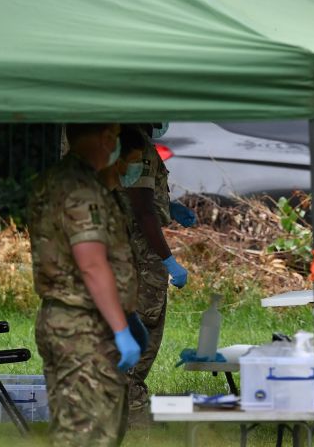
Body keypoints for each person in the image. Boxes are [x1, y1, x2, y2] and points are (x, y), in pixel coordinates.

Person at [28, 123, 140, 447]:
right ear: (107, 138)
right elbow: (91, 263)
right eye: (116, 138)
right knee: (87, 436)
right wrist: (121, 329)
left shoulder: (52, 180)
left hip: (64, 320)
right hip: (84, 328)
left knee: (73, 428)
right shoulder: (81, 189)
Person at [125, 123, 192, 424]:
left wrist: (168, 206)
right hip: (139, 256)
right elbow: (142, 210)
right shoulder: (132, 142)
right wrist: (168, 261)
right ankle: (131, 409)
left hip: (131, 251)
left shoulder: (127, 139)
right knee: (143, 328)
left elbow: (141, 196)